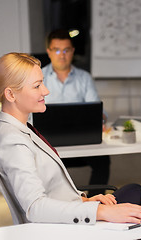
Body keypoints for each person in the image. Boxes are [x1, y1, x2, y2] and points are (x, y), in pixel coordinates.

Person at [0, 52, 141, 224]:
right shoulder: (12, 141)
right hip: (58, 228)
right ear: (11, 95)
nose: (46, 91)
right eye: (37, 86)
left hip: (69, 211)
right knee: (136, 196)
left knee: (134, 191)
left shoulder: (20, 128)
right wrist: (99, 211)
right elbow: (34, 207)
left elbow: (52, 189)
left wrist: (85, 200)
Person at [41, 29, 110, 196]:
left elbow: (97, 109)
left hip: (81, 141)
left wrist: (99, 117)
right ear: (49, 52)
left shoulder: (84, 78)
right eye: (57, 49)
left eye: (66, 50)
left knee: (103, 160)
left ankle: (95, 202)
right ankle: (51, 202)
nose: (62, 55)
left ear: (72, 51)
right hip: (49, 145)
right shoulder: (39, 77)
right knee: (37, 163)